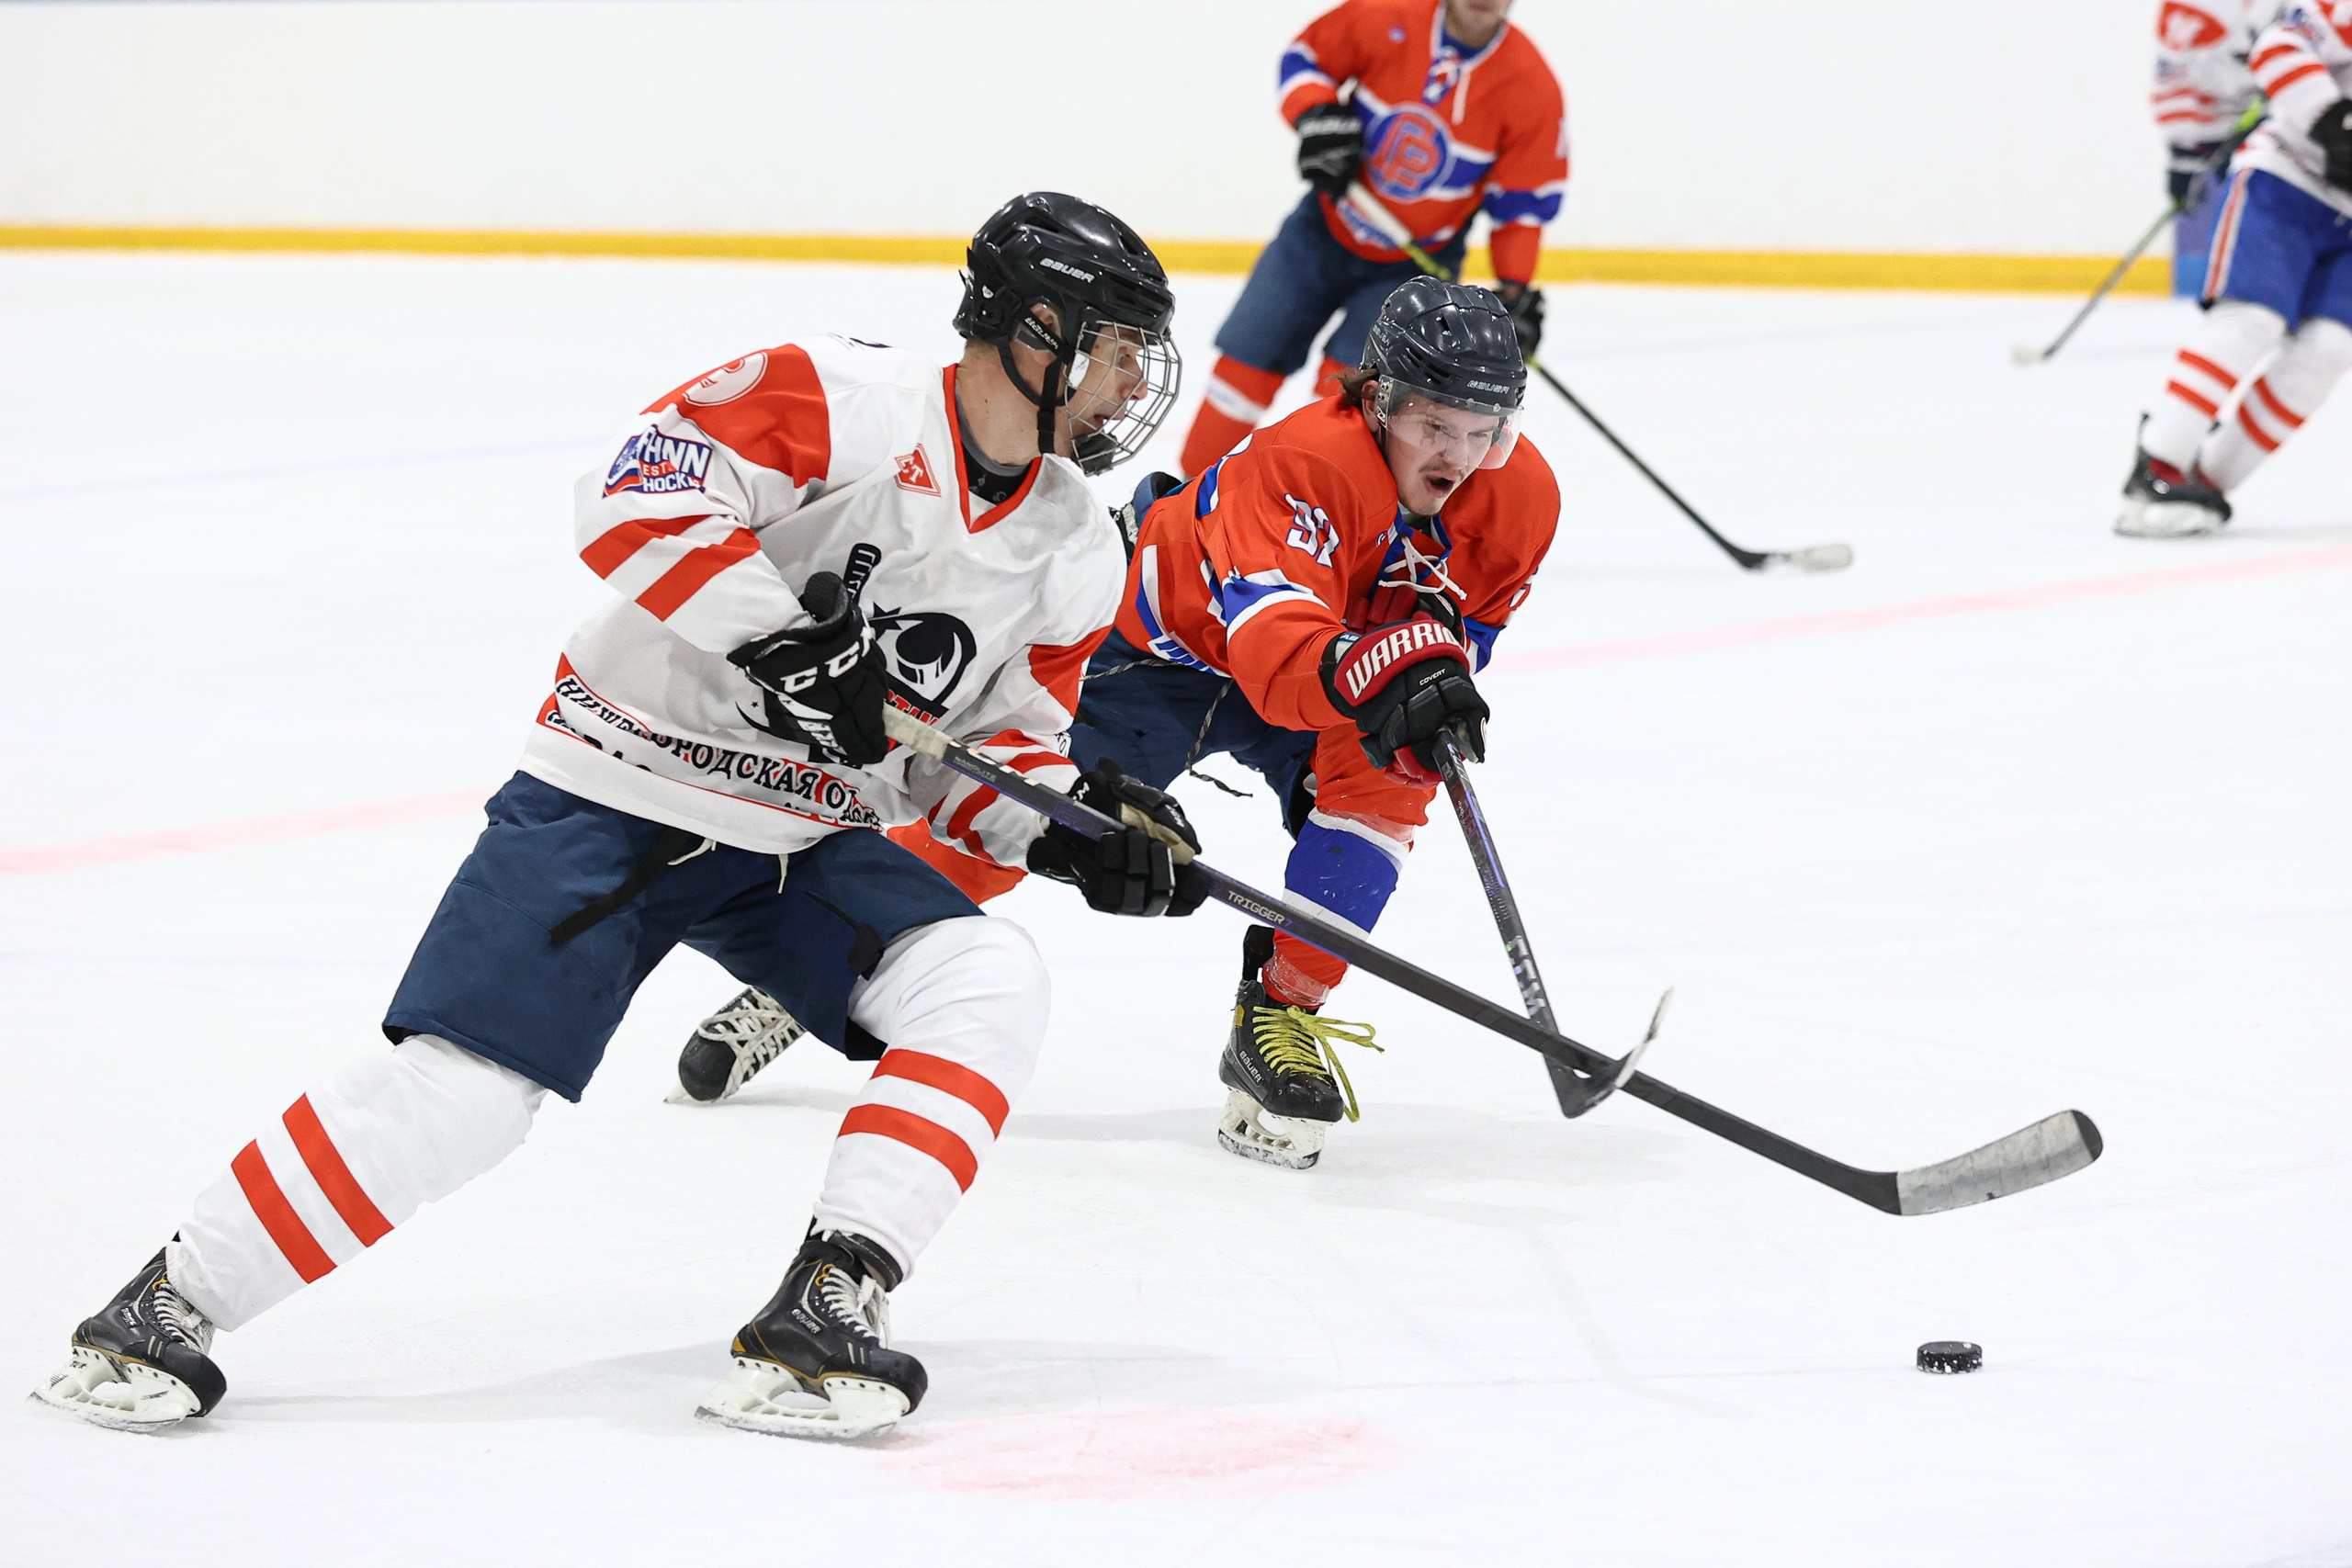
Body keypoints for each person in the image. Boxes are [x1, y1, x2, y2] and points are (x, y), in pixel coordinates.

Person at [29, 192, 1208, 1443]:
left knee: (984, 977)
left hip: (799, 842)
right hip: (620, 785)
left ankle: (824, 1305)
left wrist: (1068, 828)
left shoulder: (1075, 548)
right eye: (1120, 350)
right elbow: (632, 491)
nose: (1136, 385)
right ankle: (163, 1303)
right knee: (466, 1097)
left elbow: (971, 756)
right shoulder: (843, 397)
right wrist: (782, 640)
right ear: (1037, 331)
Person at [680, 278, 1558, 1176]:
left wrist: (1434, 683)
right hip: (1157, 659)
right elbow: (1277, 652)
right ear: (1376, 400)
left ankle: (1281, 1014)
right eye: (1434, 425)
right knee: (1021, 823)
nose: (1459, 455)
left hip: (1330, 675)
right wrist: (1392, 666)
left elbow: (1461, 635)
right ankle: (825, 963)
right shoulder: (1306, 461)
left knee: (1395, 774)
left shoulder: (1522, 500)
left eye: (1484, 431)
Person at [1173, 0, 1567, 480]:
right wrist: (1316, 114)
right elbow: (1305, 59)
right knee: (1243, 370)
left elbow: (1523, 206)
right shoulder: (1386, 15)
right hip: (1320, 230)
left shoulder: (1531, 87)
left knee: (1350, 401)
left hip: (1412, 273)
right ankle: (1184, 500)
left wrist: (1514, 290)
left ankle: (1308, 510)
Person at [2119, 3, 2352, 536]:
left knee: (2330, 350)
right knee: (2251, 320)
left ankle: (2206, 481)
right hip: (2286, 182)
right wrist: (2331, 120)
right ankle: (2157, 465)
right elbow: (2279, 45)